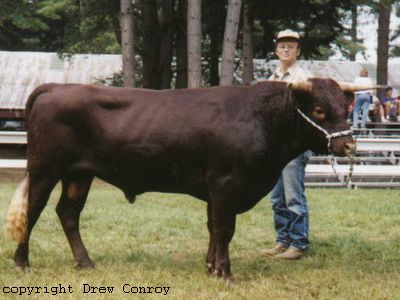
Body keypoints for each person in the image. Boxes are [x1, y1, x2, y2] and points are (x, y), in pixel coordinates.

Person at [261, 29, 313, 260]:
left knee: (293, 195)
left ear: (298, 51)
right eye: (282, 46)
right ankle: (282, 241)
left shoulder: (304, 79)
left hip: (293, 146)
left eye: (290, 46)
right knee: (277, 197)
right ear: (276, 50)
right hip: (275, 147)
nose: (285, 50)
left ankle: (299, 243)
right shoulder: (272, 79)